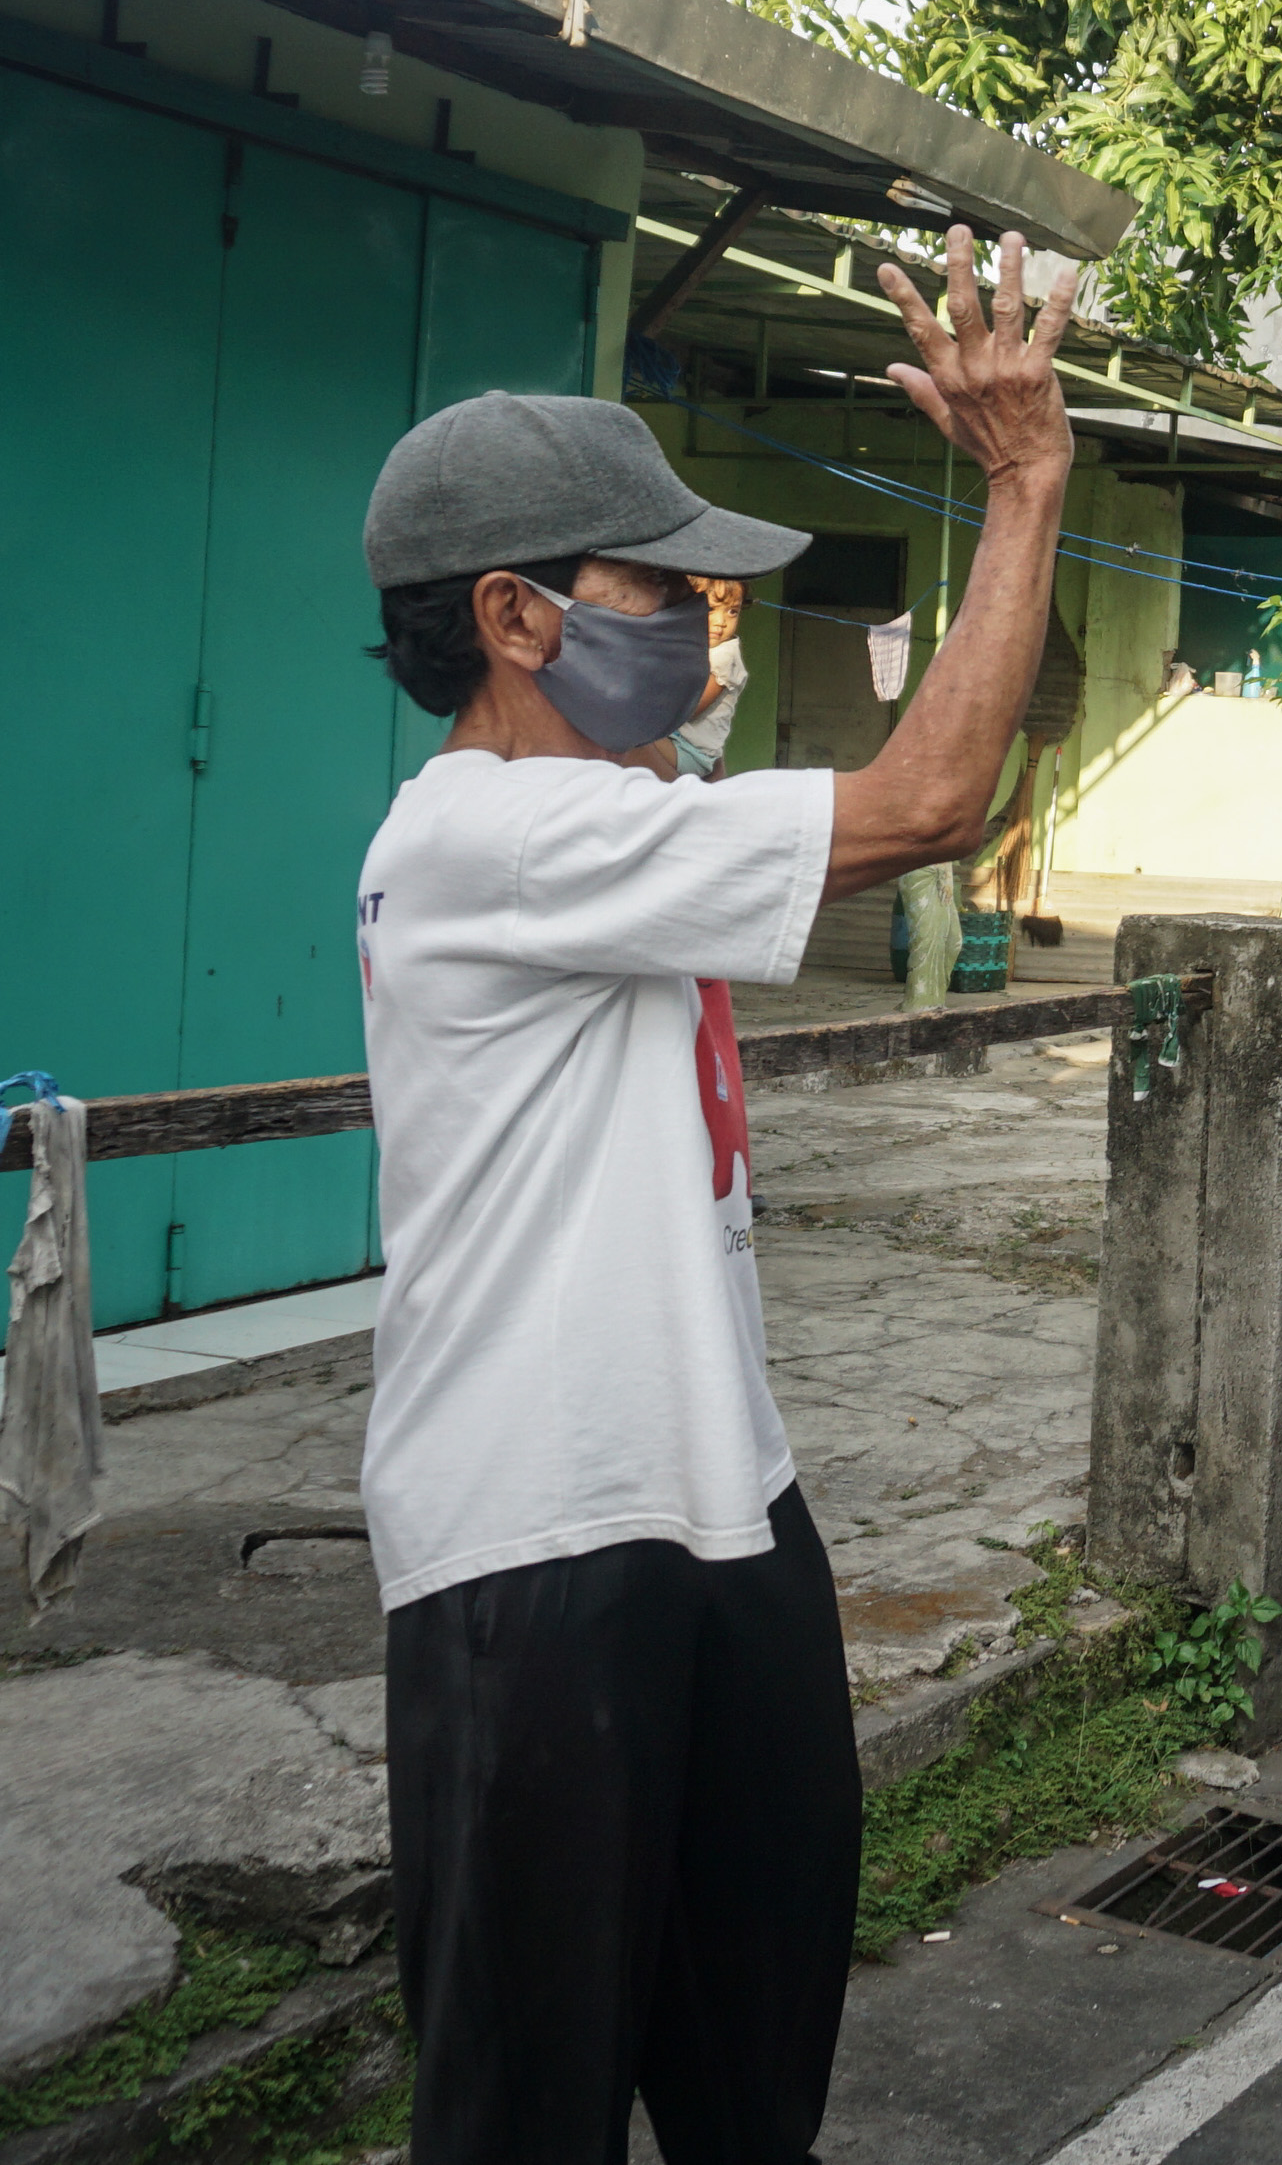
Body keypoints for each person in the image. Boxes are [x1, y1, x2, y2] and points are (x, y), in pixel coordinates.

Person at [353, 230, 1074, 2161]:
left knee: (753, 2077)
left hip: (721, 1504)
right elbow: (922, 798)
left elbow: (930, 793)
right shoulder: (488, 835)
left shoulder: (632, 820)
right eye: (658, 587)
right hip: (536, 1539)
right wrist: (1023, 484)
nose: (703, 624)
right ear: (512, 613)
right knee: (529, 2110)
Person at [670, 576, 752, 777]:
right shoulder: (692, 646)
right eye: (711, 609)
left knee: (628, 742)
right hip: (674, 739)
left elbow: (690, 710)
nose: (721, 622)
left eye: (732, 611)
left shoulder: (725, 656)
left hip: (691, 752)